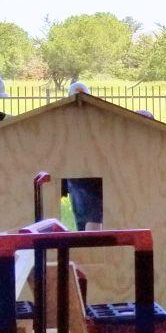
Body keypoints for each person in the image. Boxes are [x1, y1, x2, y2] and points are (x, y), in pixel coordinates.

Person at [65, 81, 104, 230]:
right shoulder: (64, 118)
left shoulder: (97, 118)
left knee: (93, 218)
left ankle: (90, 244)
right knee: (83, 219)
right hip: (76, 177)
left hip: (94, 177)